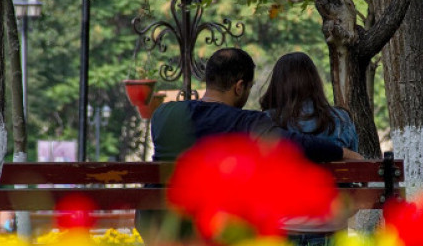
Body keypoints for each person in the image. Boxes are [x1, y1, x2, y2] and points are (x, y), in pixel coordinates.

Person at [151, 47, 362, 162]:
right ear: (239, 87)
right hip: (207, 222)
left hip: (156, 219)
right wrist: (343, 153)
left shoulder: (163, 114)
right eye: (250, 87)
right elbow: (294, 143)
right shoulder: (243, 122)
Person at [259, 52, 358, 152]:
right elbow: (356, 158)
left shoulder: (265, 121)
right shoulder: (341, 118)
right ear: (315, 82)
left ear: (276, 85)